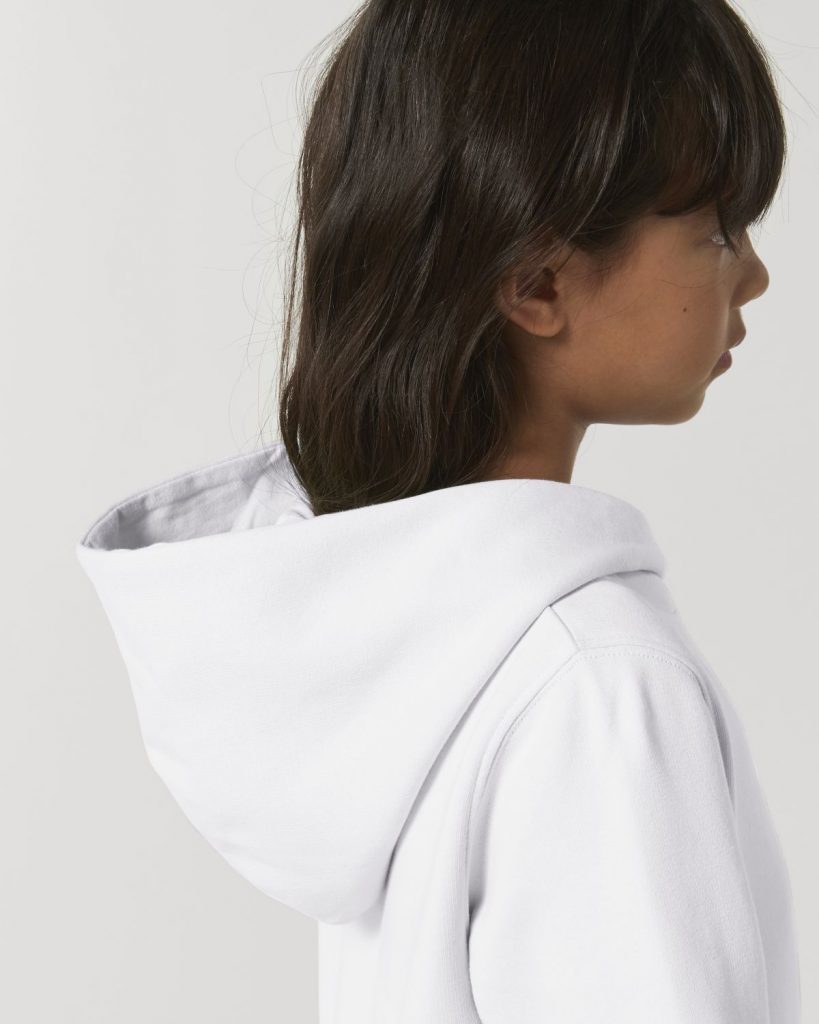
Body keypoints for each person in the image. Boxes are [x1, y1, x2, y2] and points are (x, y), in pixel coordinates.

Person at [76, 0, 802, 1021]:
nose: (755, 273)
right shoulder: (598, 681)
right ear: (537, 282)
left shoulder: (405, 658)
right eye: (715, 228)